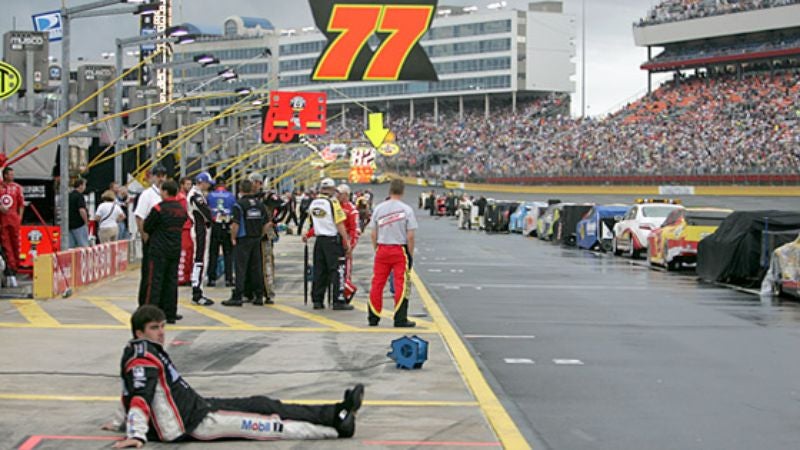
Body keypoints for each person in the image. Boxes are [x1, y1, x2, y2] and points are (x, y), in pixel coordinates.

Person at [108, 305, 364, 447]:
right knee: (272, 426)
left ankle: (336, 411)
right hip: (192, 423)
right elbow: (140, 396)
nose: (161, 333)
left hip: (198, 406)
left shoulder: (139, 350)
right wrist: (135, 435)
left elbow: (128, 391)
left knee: (263, 404)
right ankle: (336, 430)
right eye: (154, 328)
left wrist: (119, 421)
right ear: (139, 332)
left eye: (163, 327)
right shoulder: (142, 357)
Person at [367, 179, 418, 328]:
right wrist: (410, 254)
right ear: (402, 191)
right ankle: (400, 318)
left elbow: (373, 233)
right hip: (399, 249)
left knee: (377, 283)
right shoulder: (406, 210)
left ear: (390, 191)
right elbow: (410, 236)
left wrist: (376, 248)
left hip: (382, 248)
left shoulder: (378, 208)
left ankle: (373, 317)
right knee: (401, 284)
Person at [141, 180, 187, 324]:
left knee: (155, 281)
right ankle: (170, 313)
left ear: (165, 192)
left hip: (159, 250)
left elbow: (147, 226)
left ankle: (151, 314)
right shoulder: (181, 209)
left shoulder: (158, 209)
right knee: (171, 282)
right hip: (175, 249)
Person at [303, 178, 352, 310]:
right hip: (332, 241)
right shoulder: (333, 203)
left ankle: (317, 300)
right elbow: (340, 223)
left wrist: (306, 234)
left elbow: (310, 222)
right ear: (331, 190)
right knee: (337, 271)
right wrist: (346, 242)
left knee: (319, 271)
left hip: (319, 241)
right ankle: (338, 300)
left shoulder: (313, 203)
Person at [222, 180, 270, 307]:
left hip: (243, 239)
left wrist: (233, 237)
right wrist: (261, 234)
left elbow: (235, 224)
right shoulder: (260, 205)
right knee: (256, 268)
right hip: (256, 239)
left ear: (241, 189)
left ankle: (238, 296)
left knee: (240, 268)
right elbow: (267, 223)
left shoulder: (239, 205)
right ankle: (258, 296)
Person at [134, 165, 168, 308]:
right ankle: (145, 304)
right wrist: (144, 236)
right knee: (149, 274)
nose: (161, 178)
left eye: (163, 175)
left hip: (164, 239)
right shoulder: (147, 195)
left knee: (163, 274)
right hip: (151, 238)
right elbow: (139, 217)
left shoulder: (167, 194)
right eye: (158, 175)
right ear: (152, 177)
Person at [187, 172, 215, 306]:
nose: (209, 186)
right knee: (199, 260)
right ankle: (197, 292)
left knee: (201, 260)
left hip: (201, 229)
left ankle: (198, 290)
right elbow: (207, 213)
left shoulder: (197, 194)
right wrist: (215, 219)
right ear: (201, 182)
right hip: (199, 231)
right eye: (207, 183)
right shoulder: (195, 196)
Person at [206, 178, 235, 288]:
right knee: (228, 253)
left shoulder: (210, 195)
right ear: (225, 184)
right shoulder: (231, 196)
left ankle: (211, 279)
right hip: (227, 224)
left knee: (213, 252)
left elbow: (207, 209)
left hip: (215, 225)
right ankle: (228, 279)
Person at [0, 166, 24, 287]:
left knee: (15, 246)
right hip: (3, 221)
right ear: (4, 175)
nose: (12, 176)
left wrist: (19, 218)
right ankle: (10, 271)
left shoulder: (17, 188)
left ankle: (14, 269)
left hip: (14, 220)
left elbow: (21, 204)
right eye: (10, 174)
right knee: (6, 246)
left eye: (12, 174)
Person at [336, 184, 360, 302]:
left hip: (345, 245)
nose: (337, 195)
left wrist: (351, 246)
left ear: (346, 195)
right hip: (333, 243)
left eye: (339, 193)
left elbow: (355, 231)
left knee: (345, 272)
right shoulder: (334, 206)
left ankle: (347, 292)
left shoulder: (352, 210)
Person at [176, 177, 194, 287]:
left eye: (190, 184)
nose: (189, 186)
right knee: (184, 253)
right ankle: (182, 277)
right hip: (184, 228)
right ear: (181, 185)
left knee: (189, 254)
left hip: (188, 227)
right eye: (187, 184)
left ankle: (186, 276)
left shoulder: (187, 197)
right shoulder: (181, 198)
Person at [68, 178, 90, 249]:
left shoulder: (69, 195)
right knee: (83, 245)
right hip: (79, 224)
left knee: (71, 246)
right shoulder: (80, 196)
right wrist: (86, 221)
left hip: (69, 224)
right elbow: (82, 210)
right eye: (84, 185)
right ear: (80, 186)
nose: (85, 187)